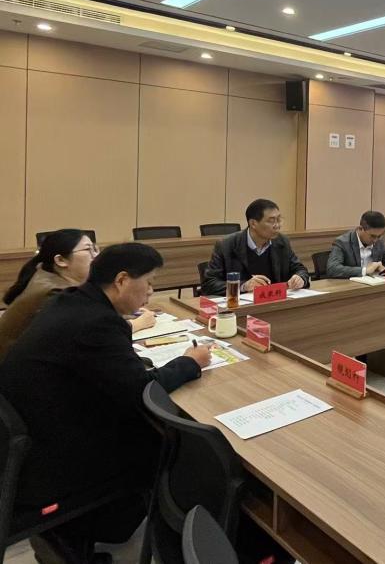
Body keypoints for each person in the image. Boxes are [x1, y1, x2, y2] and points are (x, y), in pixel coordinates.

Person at [0, 243, 213, 562]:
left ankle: (92, 529)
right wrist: (190, 362)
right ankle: (168, 541)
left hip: (34, 438)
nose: (151, 291)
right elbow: (142, 391)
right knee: (166, 441)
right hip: (52, 463)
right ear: (122, 280)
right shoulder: (97, 322)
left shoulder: (73, 301)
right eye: (149, 282)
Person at [0, 230, 155, 359]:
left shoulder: (48, 275)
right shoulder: (56, 294)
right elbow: (89, 335)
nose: (96, 256)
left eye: (95, 249)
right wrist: (137, 323)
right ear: (61, 260)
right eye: (88, 250)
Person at [201, 198, 310, 295]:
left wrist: (300, 278)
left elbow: (300, 269)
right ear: (253, 223)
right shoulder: (226, 245)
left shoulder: (281, 241)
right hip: (242, 306)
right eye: (271, 221)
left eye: (279, 219)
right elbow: (209, 284)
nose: (277, 225)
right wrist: (243, 286)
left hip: (275, 303)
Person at [325, 210, 385, 279]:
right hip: (351, 285)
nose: (375, 240)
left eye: (379, 236)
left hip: (376, 283)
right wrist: (364, 270)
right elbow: (332, 269)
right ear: (360, 229)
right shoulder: (342, 242)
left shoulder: (379, 241)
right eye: (372, 236)